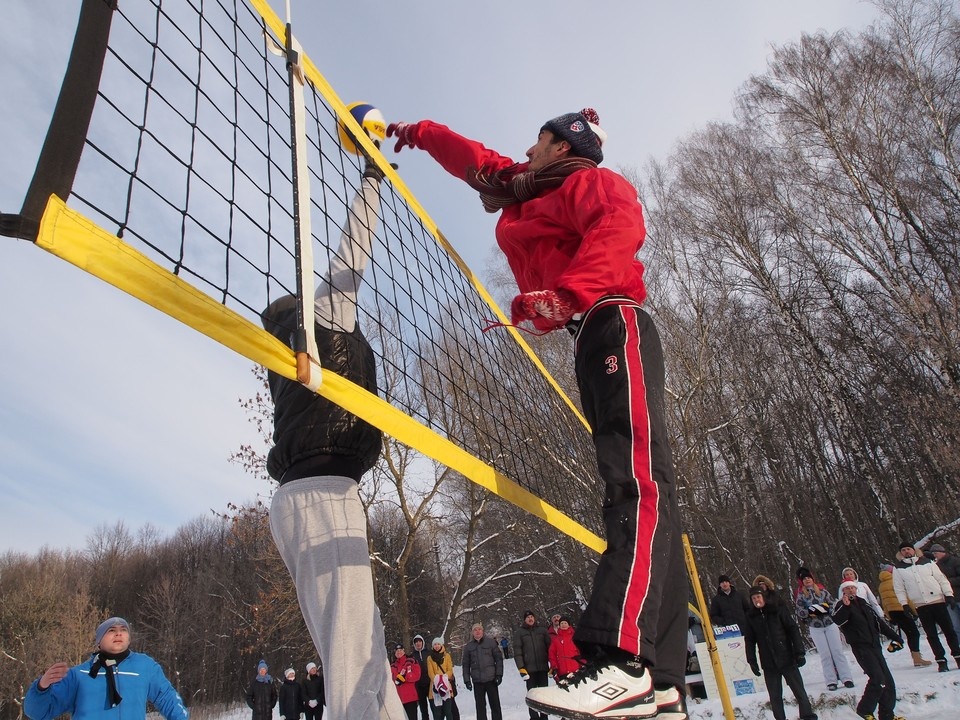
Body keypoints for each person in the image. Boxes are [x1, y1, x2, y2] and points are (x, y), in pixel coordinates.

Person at [386, 107, 687, 720]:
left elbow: (619, 227)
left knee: (637, 487)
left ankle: (622, 663)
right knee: (649, 494)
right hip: (589, 333)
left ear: (562, 146)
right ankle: (663, 681)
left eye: (538, 140)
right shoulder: (525, 189)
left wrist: (569, 293)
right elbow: (476, 160)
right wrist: (416, 134)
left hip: (612, 317)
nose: (527, 148)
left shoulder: (590, 183)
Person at [262, 146, 408, 720]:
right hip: (320, 496)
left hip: (318, 495)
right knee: (352, 658)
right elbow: (353, 255)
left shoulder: (299, 359)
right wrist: (373, 178)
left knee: (363, 651)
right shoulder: (318, 332)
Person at [24, 617, 188, 720]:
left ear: (129, 639)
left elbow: (168, 698)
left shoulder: (145, 667)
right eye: (111, 630)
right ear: (99, 641)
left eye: (123, 630)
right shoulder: (79, 675)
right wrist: (41, 687)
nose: (118, 633)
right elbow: (37, 713)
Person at [832, 581, 904, 720]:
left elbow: (879, 624)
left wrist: (896, 638)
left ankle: (887, 715)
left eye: (853, 587)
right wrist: (846, 607)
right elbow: (837, 620)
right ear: (843, 591)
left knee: (888, 681)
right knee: (878, 678)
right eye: (848, 588)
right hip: (861, 647)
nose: (851, 590)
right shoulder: (841, 606)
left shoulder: (865, 604)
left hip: (875, 645)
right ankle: (865, 709)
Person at [743, 588, 817, 720]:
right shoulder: (751, 617)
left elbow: (792, 629)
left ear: (764, 597)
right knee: (775, 696)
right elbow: (749, 640)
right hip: (769, 662)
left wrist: (799, 652)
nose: (756, 601)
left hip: (787, 657)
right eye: (753, 599)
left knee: (799, 691)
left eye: (758, 597)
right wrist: (751, 660)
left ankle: (807, 716)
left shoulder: (777, 610)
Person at [892, 540, 960, 672]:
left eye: (909, 549)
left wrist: (949, 595)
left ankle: (957, 655)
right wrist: (904, 604)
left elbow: (941, 579)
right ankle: (940, 660)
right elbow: (899, 588)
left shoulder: (927, 562)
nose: (907, 551)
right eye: (903, 550)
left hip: (938, 600)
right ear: (900, 553)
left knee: (949, 631)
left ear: (914, 550)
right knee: (931, 635)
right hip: (921, 605)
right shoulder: (898, 568)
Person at [794, 567, 854, 690]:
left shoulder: (822, 591)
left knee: (837, 652)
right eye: (804, 579)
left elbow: (833, 604)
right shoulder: (801, 595)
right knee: (825, 654)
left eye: (809, 578)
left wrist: (822, 609)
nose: (807, 580)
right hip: (815, 627)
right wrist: (815, 610)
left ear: (812, 579)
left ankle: (846, 678)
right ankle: (831, 681)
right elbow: (800, 612)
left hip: (830, 624)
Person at [878, 563, 931, 667]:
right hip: (902, 609)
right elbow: (906, 597)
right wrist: (915, 611)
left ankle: (916, 657)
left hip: (893, 612)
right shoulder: (896, 581)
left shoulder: (881, 585)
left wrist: (888, 616)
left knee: (910, 633)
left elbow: (884, 602)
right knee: (914, 633)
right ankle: (917, 658)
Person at [513, 610, 550, 720]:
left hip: (543, 668)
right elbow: (517, 651)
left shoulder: (542, 630)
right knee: (532, 696)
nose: (530, 619)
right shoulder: (520, 633)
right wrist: (521, 668)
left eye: (532, 617)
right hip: (529, 670)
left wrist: (553, 665)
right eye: (528, 617)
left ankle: (544, 717)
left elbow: (550, 648)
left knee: (544, 696)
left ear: (534, 618)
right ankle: (534, 717)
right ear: (524, 620)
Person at [461, 623, 503, 720]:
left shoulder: (491, 643)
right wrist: (467, 680)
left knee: (495, 706)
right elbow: (466, 664)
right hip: (477, 682)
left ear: (482, 631)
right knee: (480, 708)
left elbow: (499, 659)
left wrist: (499, 674)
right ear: (472, 632)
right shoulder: (468, 647)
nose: (477, 631)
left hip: (491, 679)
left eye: (479, 629)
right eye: (475, 630)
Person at [931, 543, 960, 641]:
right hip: (948, 600)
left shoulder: (955, 561)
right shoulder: (935, 566)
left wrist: (947, 582)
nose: (934, 555)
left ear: (942, 552)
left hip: (958, 595)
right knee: (956, 626)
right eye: (933, 553)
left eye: (936, 553)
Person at [426, 638, 456, 720]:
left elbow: (450, 670)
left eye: (438, 644)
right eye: (435, 644)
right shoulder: (429, 658)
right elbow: (430, 673)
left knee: (448, 711)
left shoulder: (447, 656)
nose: (436, 646)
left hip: (446, 686)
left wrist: (444, 679)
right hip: (435, 687)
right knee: (437, 713)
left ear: (441, 645)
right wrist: (437, 681)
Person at [391, 643, 423, 720]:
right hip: (398, 699)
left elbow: (417, 675)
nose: (399, 652)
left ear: (404, 651)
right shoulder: (392, 666)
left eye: (400, 650)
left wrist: (405, 678)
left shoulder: (411, 661)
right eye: (397, 651)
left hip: (410, 698)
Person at [548, 616, 582, 682]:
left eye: (565, 623)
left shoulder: (575, 637)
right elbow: (552, 655)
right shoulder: (556, 640)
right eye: (562, 623)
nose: (563, 625)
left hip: (576, 669)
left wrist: (583, 664)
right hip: (562, 671)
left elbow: (581, 651)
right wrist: (554, 667)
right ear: (559, 625)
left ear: (569, 625)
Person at [410, 635, 431, 720]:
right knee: (423, 709)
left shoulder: (429, 653)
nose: (418, 643)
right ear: (414, 644)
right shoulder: (412, 656)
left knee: (435, 707)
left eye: (419, 641)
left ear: (423, 642)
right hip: (419, 685)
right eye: (416, 642)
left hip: (430, 684)